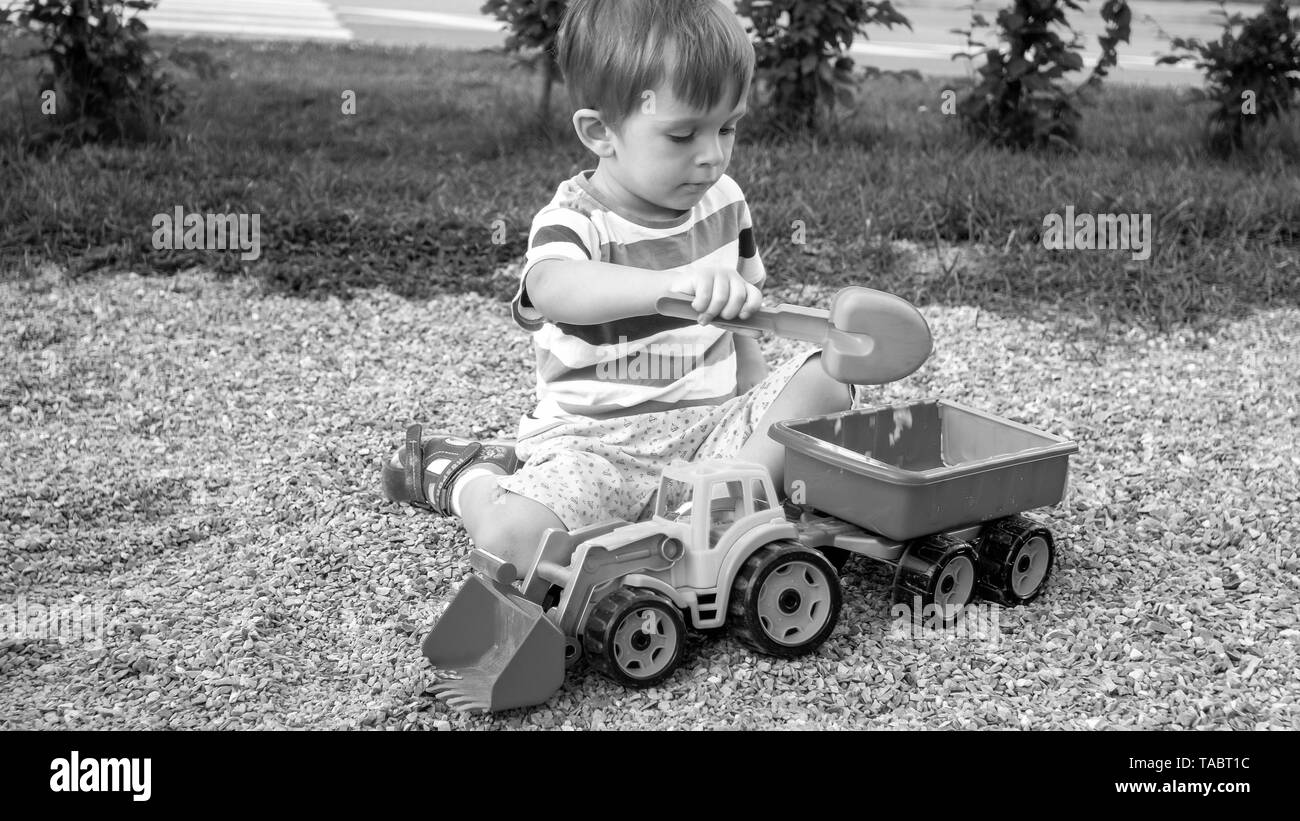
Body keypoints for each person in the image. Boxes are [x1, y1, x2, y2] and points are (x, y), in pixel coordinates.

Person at [383, 0, 850, 575]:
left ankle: (712, 517)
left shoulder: (725, 202)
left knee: (827, 377)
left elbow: (745, 331)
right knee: (508, 542)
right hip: (599, 445)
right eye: (682, 135)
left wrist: (756, 406)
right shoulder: (577, 219)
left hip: (710, 437)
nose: (711, 156)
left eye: (727, 127)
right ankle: (466, 475)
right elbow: (554, 287)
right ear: (600, 132)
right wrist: (667, 285)